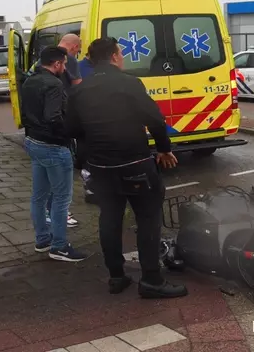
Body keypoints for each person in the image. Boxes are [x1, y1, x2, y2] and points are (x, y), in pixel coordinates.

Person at [65, 37, 187, 299]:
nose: (122, 57)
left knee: (109, 219)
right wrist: (164, 149)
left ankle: (117, 277)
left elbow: (73, 129)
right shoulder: (129, 83)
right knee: (148, 220)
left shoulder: (79, 90)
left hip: (100, 167)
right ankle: (152, 280)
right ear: (114, 56)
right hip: (135, 162)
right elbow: (155, 118)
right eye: (121, 53)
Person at [22, 45, 90, 262]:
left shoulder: (29, 80)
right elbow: (53, 117)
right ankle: (59, 246)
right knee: (61, 199)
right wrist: (72, 133)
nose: (65, 68)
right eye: (64, 64)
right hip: (53, 146)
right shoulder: (53, 84)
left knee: (39, 196)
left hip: (33, 142)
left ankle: (43, 240)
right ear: (58, 63)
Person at [44, 34, 83, 227]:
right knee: (62, 173)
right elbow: (78, 88)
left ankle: (47, 212)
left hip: (41, 128)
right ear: (74, 46)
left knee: (47, 175)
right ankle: (61, 214)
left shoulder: (44, 59)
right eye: (78, 48)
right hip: (62, 120)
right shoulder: (70, 60)